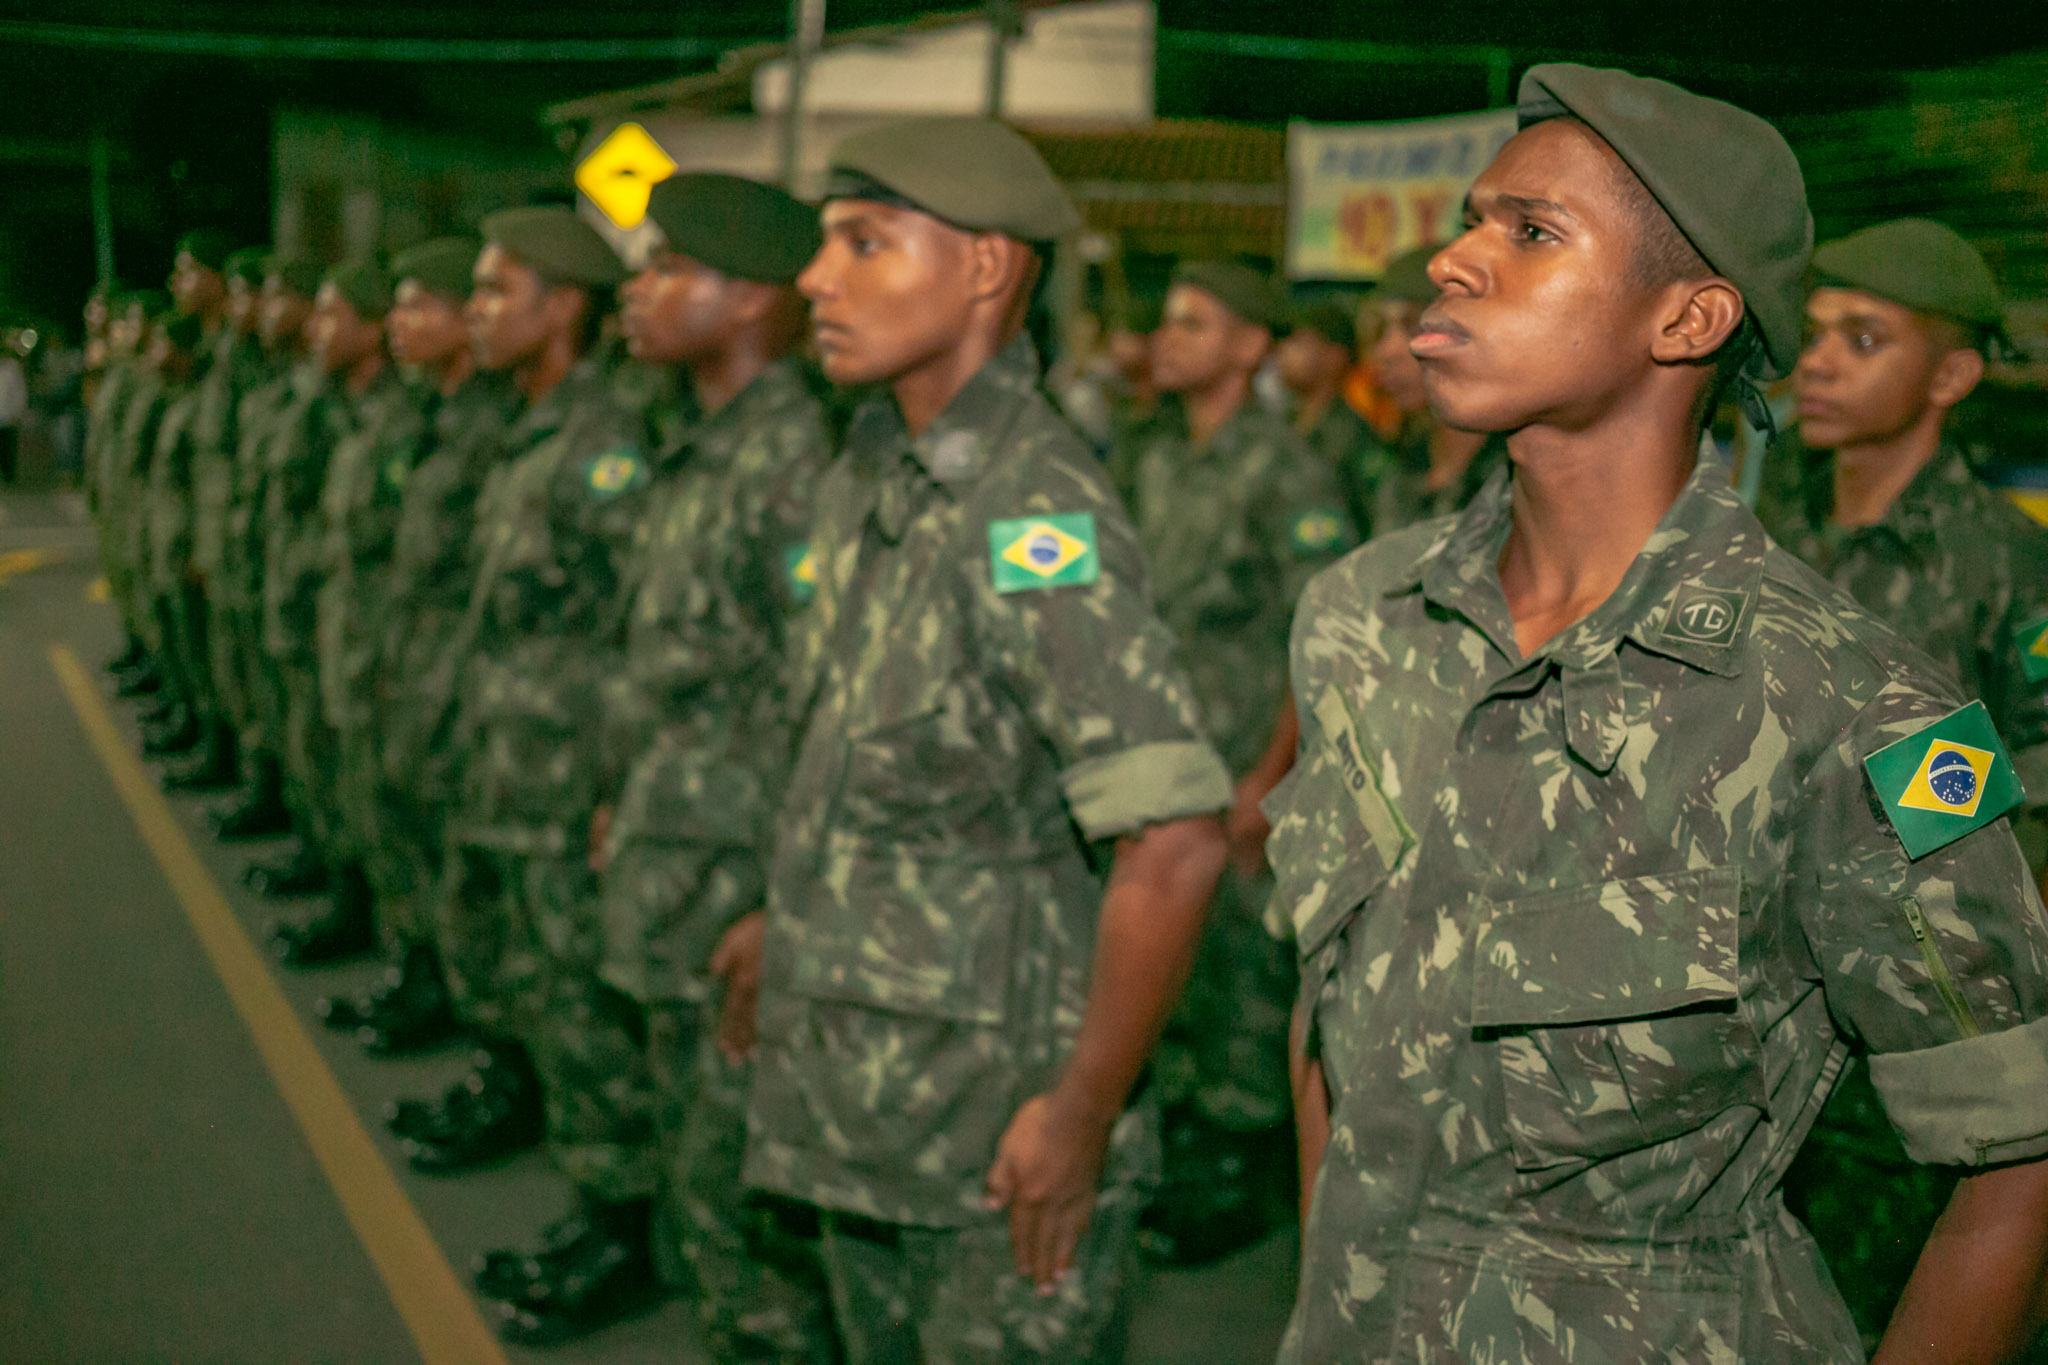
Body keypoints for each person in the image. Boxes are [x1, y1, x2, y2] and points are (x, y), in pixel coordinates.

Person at [1268, 63, 2048, 1364]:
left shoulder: (1858, 706)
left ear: (1687, 319)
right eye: (1472, 221)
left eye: (1530, 233)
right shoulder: (1361, 618)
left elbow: (2017, 1152)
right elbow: (1329, 1023)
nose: (1455, 262)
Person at [727, 116, 1231, 1362]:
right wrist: (779, 917)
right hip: (863, 1104)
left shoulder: (1030, 512)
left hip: (991, 1143)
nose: (814, 277)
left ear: (986, 268)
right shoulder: (875, 471)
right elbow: (855, 755)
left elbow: (1171, 844)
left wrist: (1080, 1113)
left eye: (864, 243)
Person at [475, 172, 831, 1347]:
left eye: (670, 268)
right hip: (672, 856)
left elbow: (821, 707)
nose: (638, 290)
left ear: (745, 303)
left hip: (736, 885)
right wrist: (618, 798)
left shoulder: (792, 472)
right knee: (691, 1157)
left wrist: (784, 903)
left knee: (745, 1193)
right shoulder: (696, 450)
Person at [1754, 216, 2048, 1351]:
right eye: (1814, 333)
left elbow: (2020, 794)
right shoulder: (1765, 537)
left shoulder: (2000, 565)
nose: (1816, 361)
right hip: (1763, 1030)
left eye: (1861, 338)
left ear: (1950, 375)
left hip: (1918, 1036)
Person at [384, 207, 644, 1196]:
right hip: (500, 751)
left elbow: (634, 627)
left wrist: (612, 783)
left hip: (563, 772)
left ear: (563, 308)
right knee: (520, 964)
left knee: (575, 988)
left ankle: (616, 1201)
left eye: (497, 293)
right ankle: (523, 1099)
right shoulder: (525, 428)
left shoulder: (605, 445)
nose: (478, 312)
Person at [1111, 258, 1355, 1264]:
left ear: (1250, 347)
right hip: (1161, 761)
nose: (1169, 339)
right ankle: (1176, 1151)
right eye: (1166, 320)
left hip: (1239, 764)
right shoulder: (1155, 456)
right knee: (1169, 960)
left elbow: (1323, 635)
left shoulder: (1285, 471)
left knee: (1238, 971)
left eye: (1195, 323)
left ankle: (1236, 1171)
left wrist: (1271, 775)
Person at [318, 236, 506, 1058]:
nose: (401, 322)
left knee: (463, 868)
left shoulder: (496, 428)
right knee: (403, 834)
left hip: (463, 689)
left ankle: (482, 1032)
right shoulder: (429, 414)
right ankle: (423, 976)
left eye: (419, 303)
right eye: (393, 304)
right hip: (406, 665)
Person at [257, 260, 400, 966]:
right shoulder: (334, 406)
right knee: (330, 773)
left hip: (386, 652)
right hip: (334, 624)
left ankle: (398, 945)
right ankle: (349, 902)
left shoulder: (402, 422)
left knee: (386, 812)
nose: (316, 329)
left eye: (329, 314)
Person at [211, 254, 321, 844]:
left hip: (314, 594)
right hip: (268, 571)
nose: (257, 309)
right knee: (270, 705)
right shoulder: (266, 379)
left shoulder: (324, 396)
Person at [178, 246, 273, 794]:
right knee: (226, 665)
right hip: (223, 536)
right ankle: (227, 759)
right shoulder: (218, 352)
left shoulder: (252, 362)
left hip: (252, 547)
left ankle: (259, 785)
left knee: (254, 676)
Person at [1355, 241, 1501, 537]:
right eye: (1382, 329)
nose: (1388, 351)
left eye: (1417, 324)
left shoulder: (1519, 473)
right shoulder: (1405, 464)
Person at [1276, 297, 1380, 534]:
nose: (1284, 352)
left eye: (1300, 343)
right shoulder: (1278, 422)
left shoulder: (1355, 436)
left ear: (1335, 356)